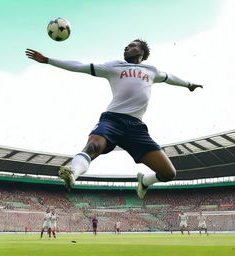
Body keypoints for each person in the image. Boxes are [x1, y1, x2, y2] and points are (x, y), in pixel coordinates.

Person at [25, 40, 203, 199]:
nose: (127, 47)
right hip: (112, 120)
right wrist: (48, 60)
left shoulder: (151, 70)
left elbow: (169, 77)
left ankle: (145, 181)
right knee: (93, 146)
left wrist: (188, 84)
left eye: (132, 45)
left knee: (169, 173)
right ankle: (72, 171)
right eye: (126, 45)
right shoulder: (114, 66)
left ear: (142, 53)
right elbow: (80, 66)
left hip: (136, 127)